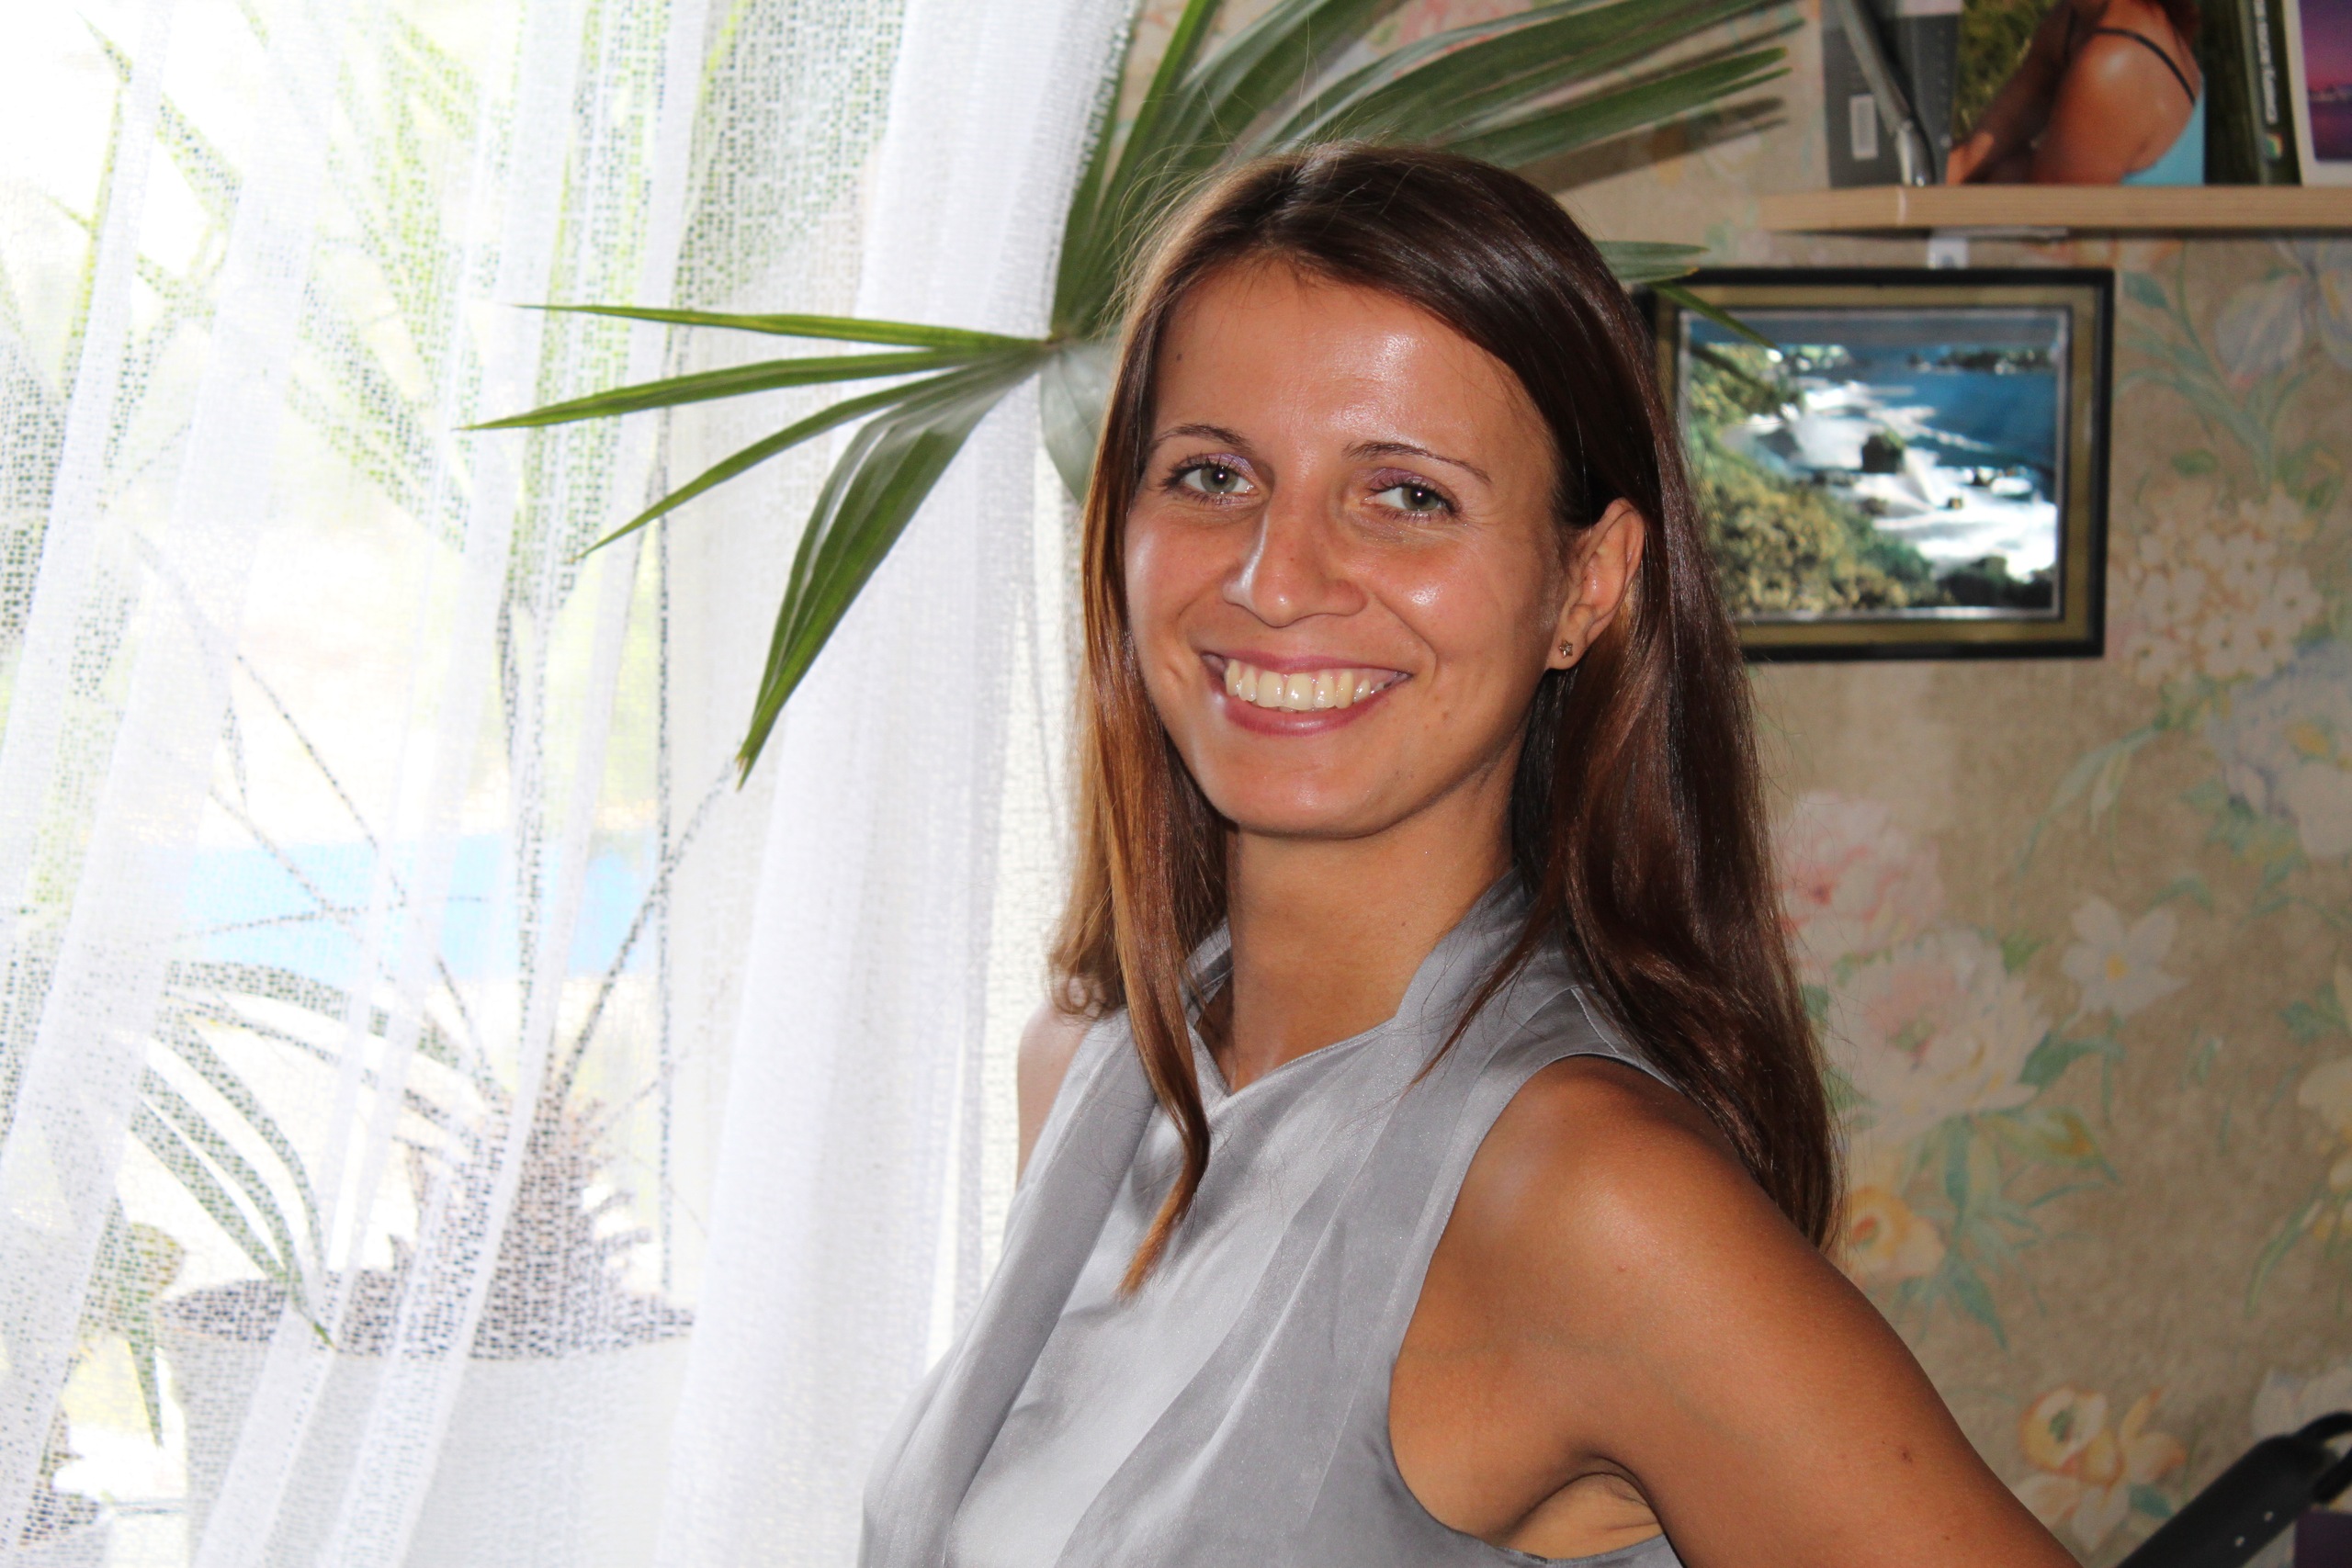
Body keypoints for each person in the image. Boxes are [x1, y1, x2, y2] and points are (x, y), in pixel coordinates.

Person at [861, 145, 2073, 1567]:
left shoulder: (1592, 1193)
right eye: (1212, 474)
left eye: (1408, 495)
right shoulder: (1087, 1069)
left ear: (1586, 584)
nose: (1275, 577)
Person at [1947, 0, 2204, 185]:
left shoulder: (2114, 62)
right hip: (2062, 235)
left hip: (2080, 241)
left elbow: (2046, 225)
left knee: (2009, 175)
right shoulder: (2072, 22)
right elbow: (1973, 156)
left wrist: (2010, 172)